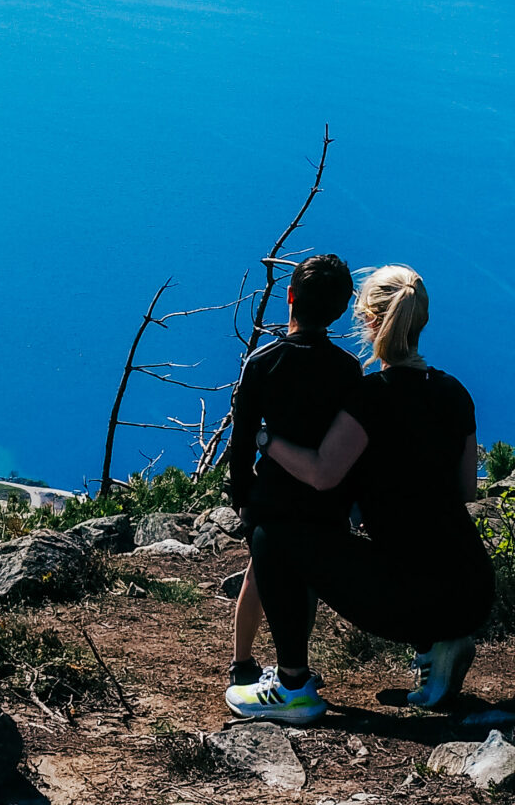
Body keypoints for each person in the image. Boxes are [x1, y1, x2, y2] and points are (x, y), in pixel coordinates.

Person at [224, 264, 495, 724]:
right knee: (418, 574)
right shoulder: (454, 392)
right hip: (472, 588)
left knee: (273, 536)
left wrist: (265, 441)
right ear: (420, 320)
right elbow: (467, 488)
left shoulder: (370, 397)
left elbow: (322, 474)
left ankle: (292, 686)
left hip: (413, 595)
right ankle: (439, 645)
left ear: (368, 319)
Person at [221, 253, 361, 710]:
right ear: (340, 311)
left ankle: (251, 666)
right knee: (305, 582)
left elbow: (242, 442)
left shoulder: (263, 363)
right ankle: (288, 665)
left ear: (289, 297)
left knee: (260, 575)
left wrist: (242, 499)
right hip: (324, 500)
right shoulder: (347, 370)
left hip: (273, 498)